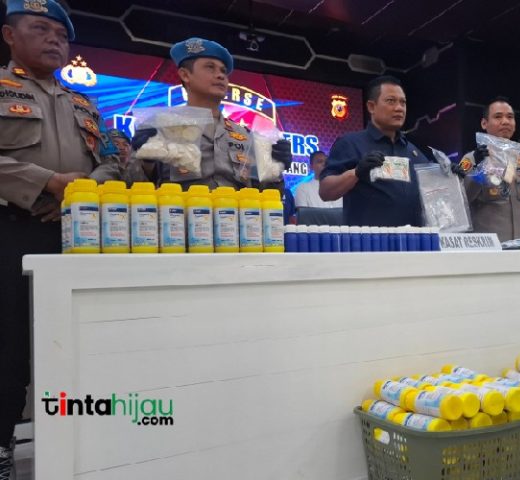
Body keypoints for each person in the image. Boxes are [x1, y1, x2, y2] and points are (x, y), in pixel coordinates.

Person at [0, 1, 121, 478]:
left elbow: (113, 161)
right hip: (13, 229)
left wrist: (82, 190)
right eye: (40, 28)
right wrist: (45, 182)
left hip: (78, 234)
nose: (54, 40)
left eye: (61, 34)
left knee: (77, 340)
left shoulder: (84, 104)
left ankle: (83, 442)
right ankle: (2, 445)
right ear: (10, 36)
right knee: (9, 345)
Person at [136, 37, 292, 190]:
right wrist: (146, 162)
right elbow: (131, 186)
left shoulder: (245, 135)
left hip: (237, 207)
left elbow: (269, 193)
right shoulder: (158, 127)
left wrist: (276, 168)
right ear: (185, 75)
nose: (221, 75)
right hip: (180, 206)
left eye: (223, 71)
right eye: (210, 67)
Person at [319, 75, 430, 227]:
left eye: (403, 102)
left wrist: (451, 176)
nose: (399, 108)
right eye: (390, 101)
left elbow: (435, 191)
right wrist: (356, 172)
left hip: (412, 239)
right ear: (371, 107)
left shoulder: (413, 151)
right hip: (369, 240)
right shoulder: (350, 143)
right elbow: (325, 192)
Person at [459, 97, 520, 241]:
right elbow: (461, 200)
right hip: (488, 247)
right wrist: (477, 168)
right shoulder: (471, 159)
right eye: (498, 117)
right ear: (484, 123)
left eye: (510, 117)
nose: (505, 121)